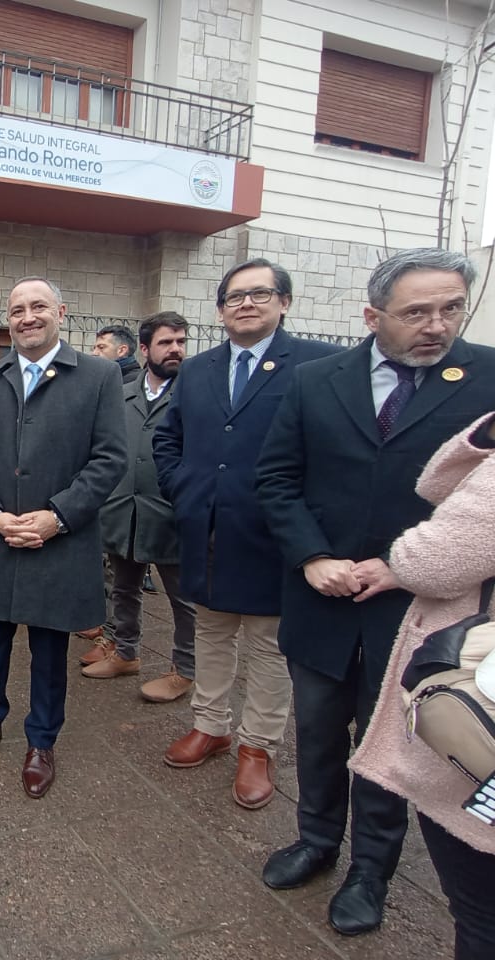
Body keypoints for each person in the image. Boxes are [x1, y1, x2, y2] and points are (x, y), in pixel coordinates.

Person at [255, 248, 495, 935]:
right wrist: (311, 557)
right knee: (320, 733)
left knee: (394, 744)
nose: (436, 325)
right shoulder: (313, 380)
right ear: (372, 315)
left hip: (422, 610)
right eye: (416, 311)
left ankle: (371, 873)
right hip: (321, 597)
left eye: (451, 308)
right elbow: (277, 479)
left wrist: (403, 566)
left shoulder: (488, 381)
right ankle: (317, 840)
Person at [152, 258, 342, 811]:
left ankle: (257, 747)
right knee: (210, 632)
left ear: (284, 302)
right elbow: (170, 439)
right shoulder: (198, 369)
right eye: (235, 297)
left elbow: (332, 451)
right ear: (220, 310)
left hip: (275, 536)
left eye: (260, 294)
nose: (246, 304)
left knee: (266, 646)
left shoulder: (317, 364)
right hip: (206, 530)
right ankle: (210, 726)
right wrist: (183, 488)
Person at [0, 277, 127, 799]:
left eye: (38, 307)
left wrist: (57, 516)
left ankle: (41, 740)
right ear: (9, 319)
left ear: (61, 312)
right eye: (18, 309)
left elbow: (110, 457)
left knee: (50, 652)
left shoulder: (98, 376)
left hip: (61, 540)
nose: (27, 317)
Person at [348, 412, 495, 960]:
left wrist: (398, 557)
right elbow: (436, 483)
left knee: (480, 912)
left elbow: (429, 560)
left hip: (479, 698)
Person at [89, 312, 197, 702]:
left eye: (181, 342)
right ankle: (125, 652)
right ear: (146, 349)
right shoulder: (121, 391)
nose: (176, 350)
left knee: (183, 600)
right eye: (167, 343)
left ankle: (184, 669)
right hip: (123, 510)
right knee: (125, 587)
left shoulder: (194, 391)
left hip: (172, 514)